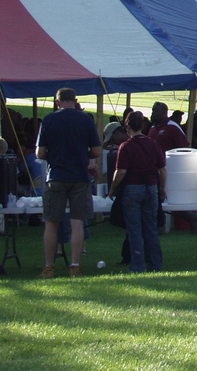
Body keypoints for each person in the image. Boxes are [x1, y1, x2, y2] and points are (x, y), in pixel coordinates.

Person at [36, 88, 102, 278]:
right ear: (75, 100)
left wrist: (55, 155)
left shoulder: (49, 120)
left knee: (51, 222)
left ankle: (49, 266)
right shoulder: (85, 120)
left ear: (57, 102)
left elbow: (40, 153)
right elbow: (97, 151)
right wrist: (82, 154)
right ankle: (75, 265)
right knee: (77, 222)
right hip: (80, 177)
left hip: (56, 175)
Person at [109, 111, 165, 273]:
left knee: (134, 229)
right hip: (151, 187)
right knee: (151, 228)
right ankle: (155, 264)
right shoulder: (153, 143)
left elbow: (120, 171)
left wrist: (113, 189)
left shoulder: (126, 146)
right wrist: (162, 187)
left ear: (127, 126)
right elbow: (163, 169)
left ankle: (137, 265)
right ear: (142, 125)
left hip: (132, 188)